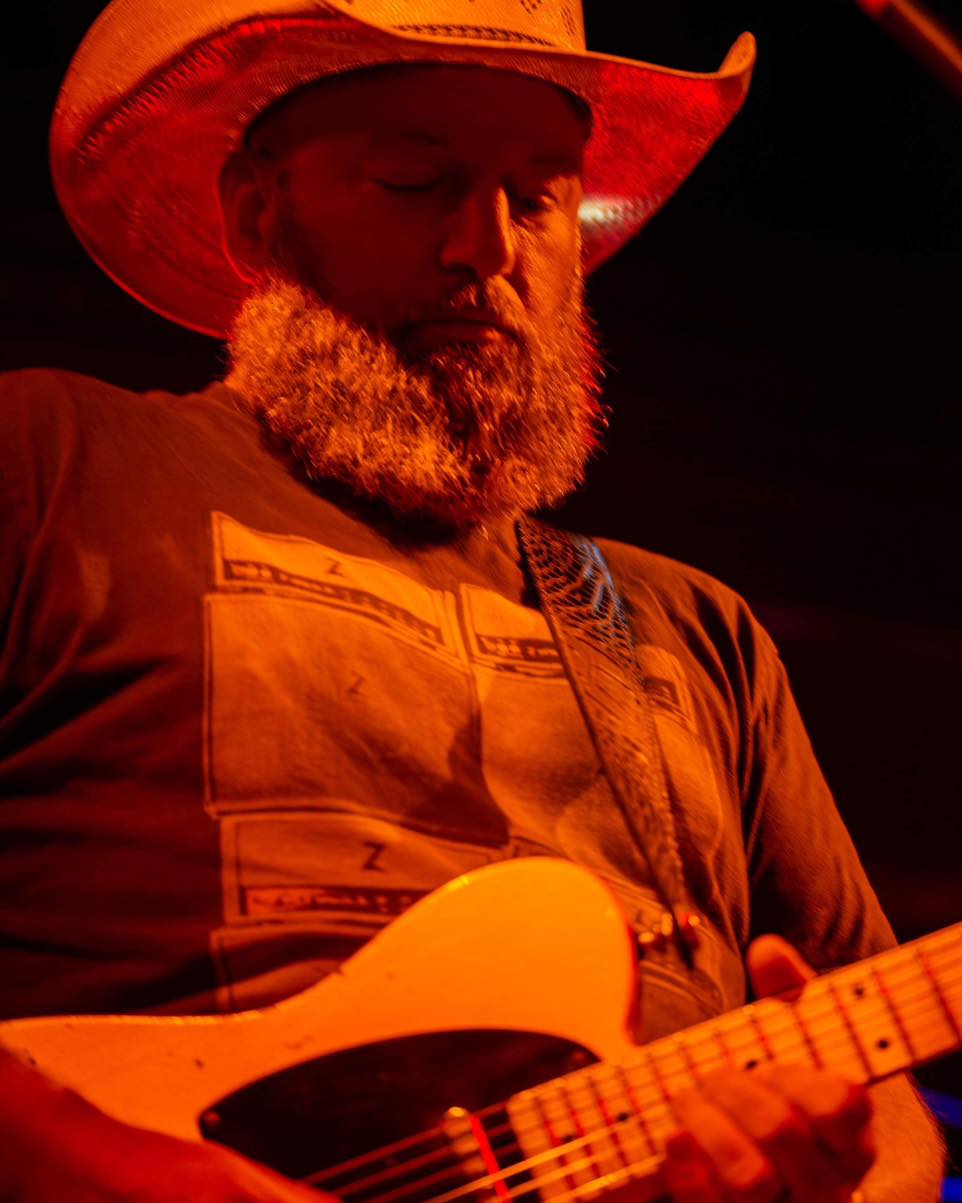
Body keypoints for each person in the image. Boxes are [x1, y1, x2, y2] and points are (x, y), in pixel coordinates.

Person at [0, 1, 945, 1201]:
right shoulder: (45, 462)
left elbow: (891, 1105)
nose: (488, 248)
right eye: (412, 179)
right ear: (257, 211)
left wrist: (835, 1174)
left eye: (540, 196)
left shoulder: (693, 631)